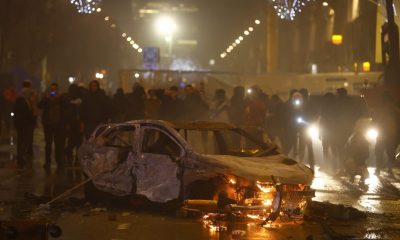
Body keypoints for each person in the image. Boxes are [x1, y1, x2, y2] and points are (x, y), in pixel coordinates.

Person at [38, 83, 67, 172]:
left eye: (55, 90)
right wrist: (46, 98)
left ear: (57, 90)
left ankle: (59, 162)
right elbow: (40, 106)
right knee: (48, 144)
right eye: (52, 90)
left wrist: (60, 98)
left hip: (58, 125)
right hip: (48, 124)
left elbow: (65, 107)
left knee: (58, 144)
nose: (53, 92)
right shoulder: (46, 99)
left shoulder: (61, 98)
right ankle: (47, 162)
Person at [14, 80, 37, 168]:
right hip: (25, 124)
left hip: (23, 124)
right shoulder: (22, 101)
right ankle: (21, 156)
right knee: (24, 140)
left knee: (22, 140)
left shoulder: (23, 99)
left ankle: (21, 156)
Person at [63, 84, 83, 166]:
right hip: (75, 124)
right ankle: (75, 159)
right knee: (77, 142)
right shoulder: (79, 100)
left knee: (72, 142)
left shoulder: (68, 99)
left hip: (73, 124)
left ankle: (71, 158)